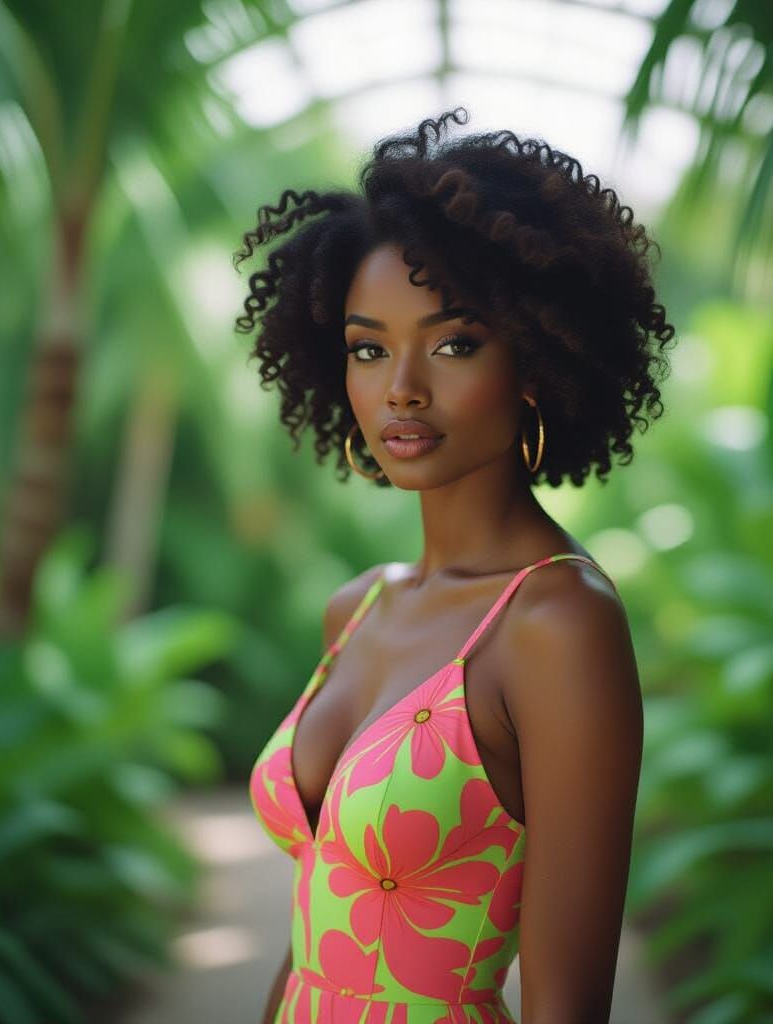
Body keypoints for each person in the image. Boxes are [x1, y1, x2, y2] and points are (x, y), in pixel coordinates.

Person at [235, 107, 675, 1024]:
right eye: (368, 347)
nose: (401, 386)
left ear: (536, 358)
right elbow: (315, 935)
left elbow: (567, 1005)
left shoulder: (559, 625)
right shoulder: (358, 609)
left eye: (453, 343)